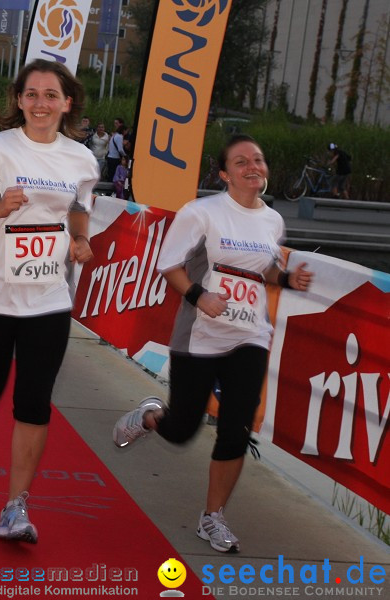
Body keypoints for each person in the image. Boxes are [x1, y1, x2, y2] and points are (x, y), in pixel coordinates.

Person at [112, 134, 314, 553]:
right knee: (183, 429)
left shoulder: (272, 220)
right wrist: (200, 296)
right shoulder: (201, 213)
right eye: (241, 162)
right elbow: (168, 264)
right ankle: (152, 416)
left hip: (250, 335)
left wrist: (287, 278)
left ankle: (212, 517)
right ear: (224, 174)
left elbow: (267, 268)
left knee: (237, 427)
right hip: (200, 334)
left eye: (258, 159)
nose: (252, 166)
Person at [0, 59, 97, 544]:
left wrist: (79, 240)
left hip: (50, 296)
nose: (42, 104)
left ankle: (15, 508)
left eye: (52, 95)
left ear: (67, 103)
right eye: (33, 94)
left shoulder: (82, 160)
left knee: (34, 399)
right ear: (18, 100)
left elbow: (78, 209)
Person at [105, 118, 126, 183]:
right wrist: (125, 156)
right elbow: (120, 149)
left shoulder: (114, 136)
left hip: (110, 157)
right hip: (115, 158)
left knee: (110, 174)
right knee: (114, 174)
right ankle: (111, 190)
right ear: (123, 130)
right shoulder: (120, 137)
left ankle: (108, 191)